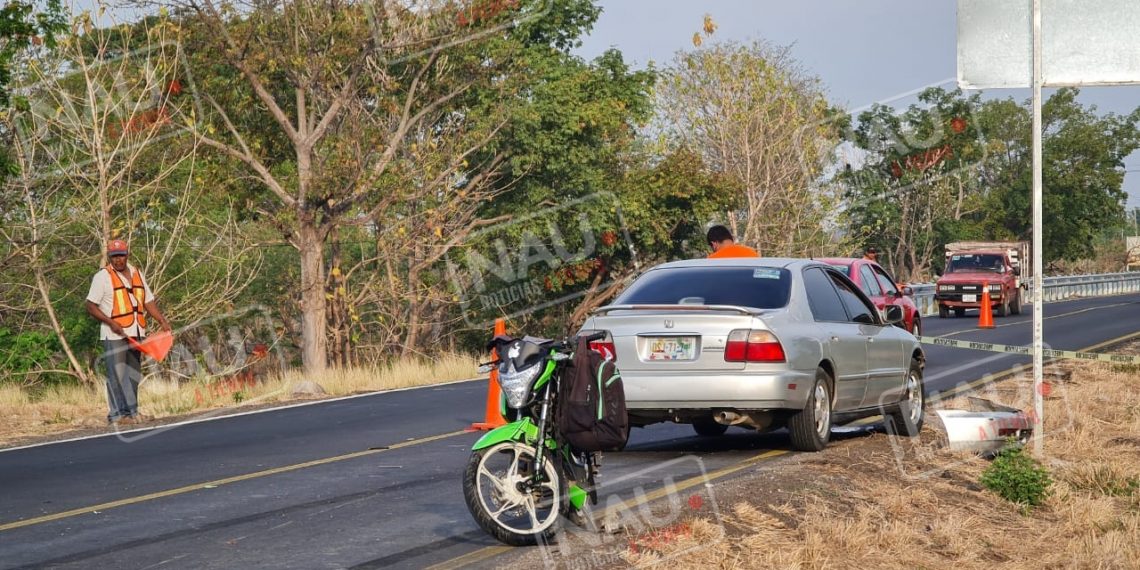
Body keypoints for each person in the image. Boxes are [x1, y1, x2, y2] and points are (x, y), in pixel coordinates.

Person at [86, 239, 171, 425]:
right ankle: (117, 415)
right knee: (116, 374)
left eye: (121, 255)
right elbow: (90, 306)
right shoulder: (102, 277)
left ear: (127, 255)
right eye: (114, 256)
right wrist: (110, 322)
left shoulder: (137, 273)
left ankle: (132, 412)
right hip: (114, 333)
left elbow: (148, 301)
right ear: (110, 257)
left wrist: (162, 320)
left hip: (136, 331)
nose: (118, 260)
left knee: (133, 373)